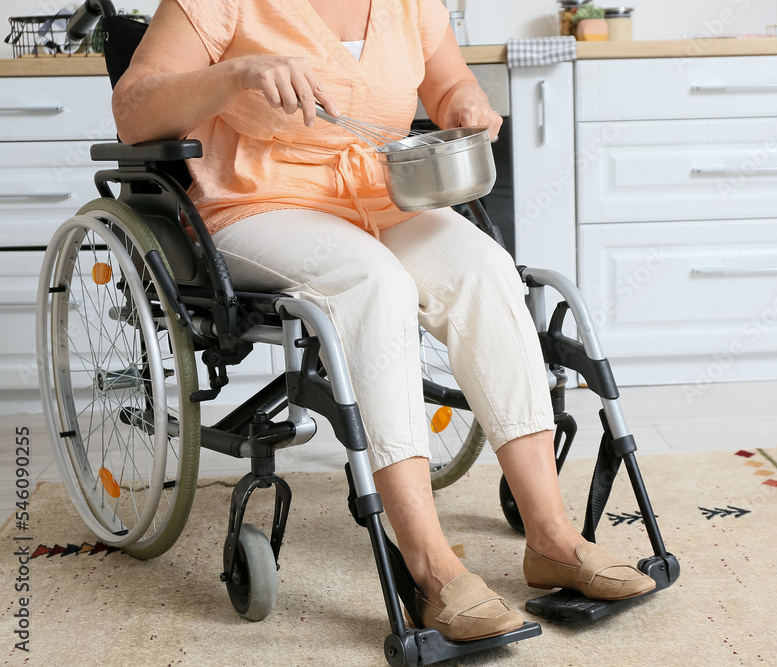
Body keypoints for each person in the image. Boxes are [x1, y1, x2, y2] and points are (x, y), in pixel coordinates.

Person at [113, 0, 654, 642]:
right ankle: (431, 566)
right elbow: (134, 110)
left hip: (382, 195)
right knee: (375, 284)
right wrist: (237, 75)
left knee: (485, 268)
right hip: (258, 204)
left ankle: (552, 537)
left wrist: (466, 106)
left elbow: (449, 81)